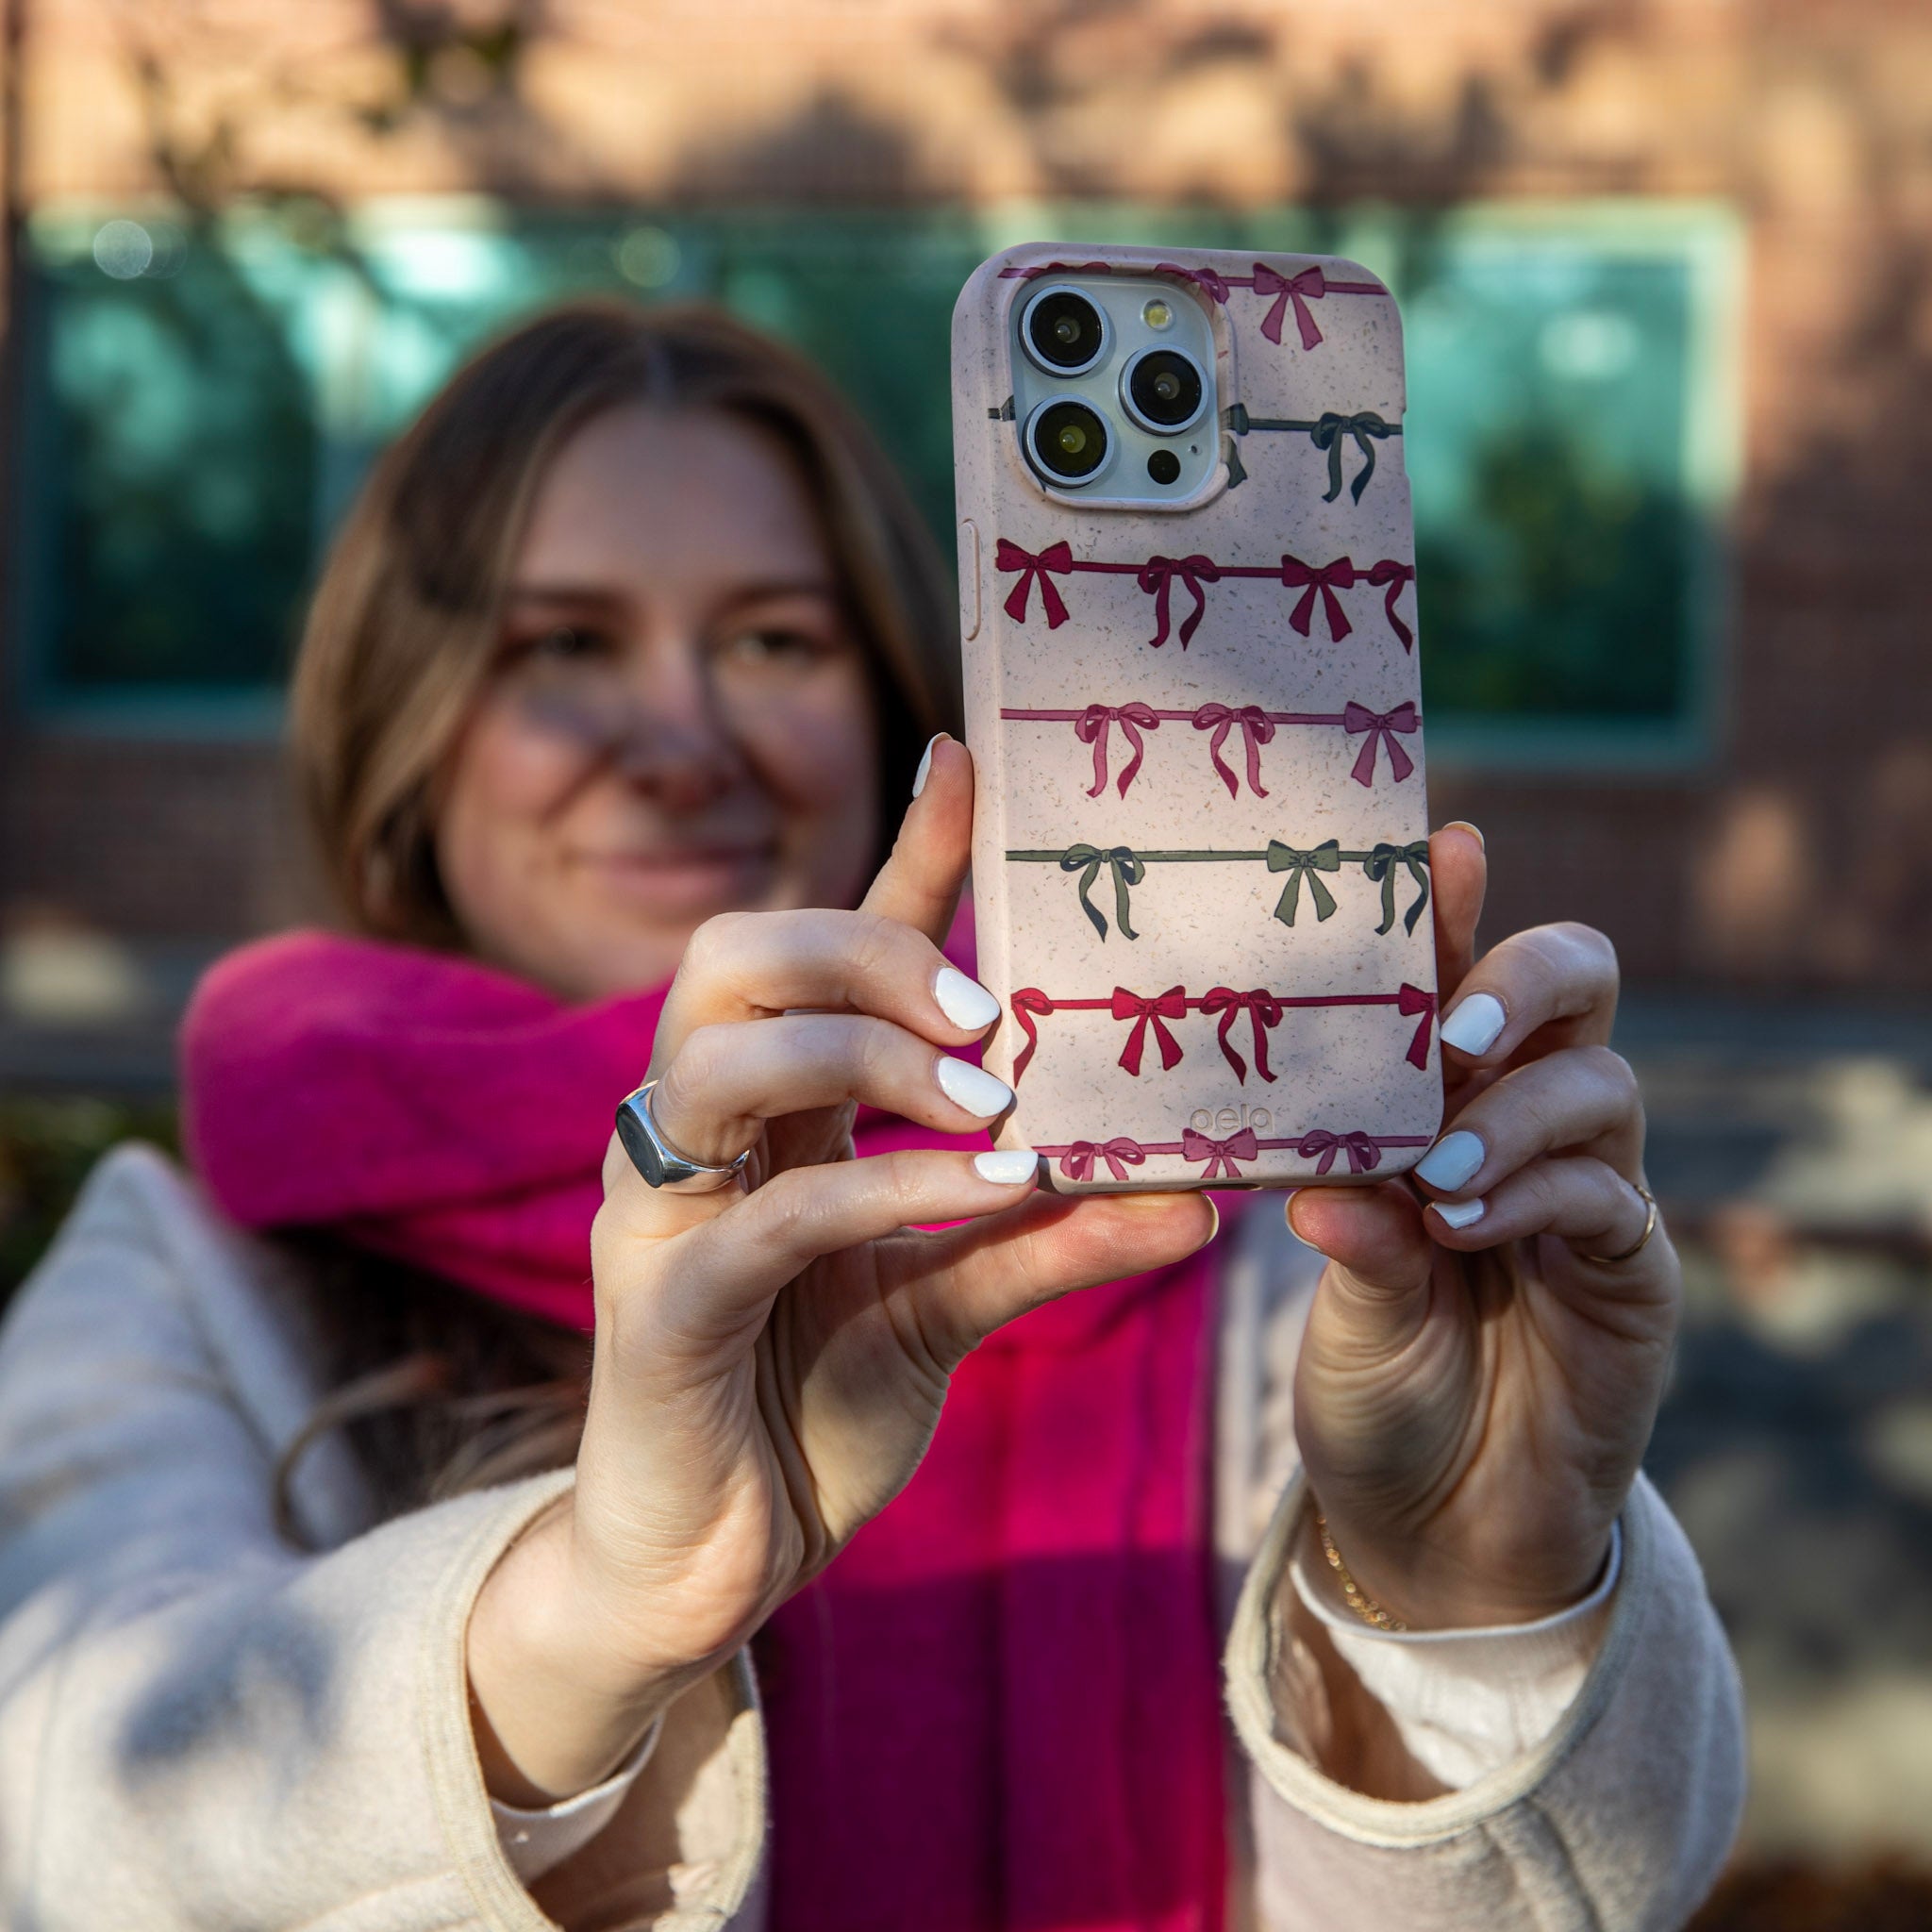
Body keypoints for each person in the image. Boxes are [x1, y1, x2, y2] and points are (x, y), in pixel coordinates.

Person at [0, 300, 1743, 1932]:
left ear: (904, 707)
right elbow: (68, 1826)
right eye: (562, 645)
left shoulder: (1263, 1211)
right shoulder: (192, 1269)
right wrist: (594, 1608)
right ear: (405, 730)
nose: (679, 739)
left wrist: (1474, 1598)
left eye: (774, 638)